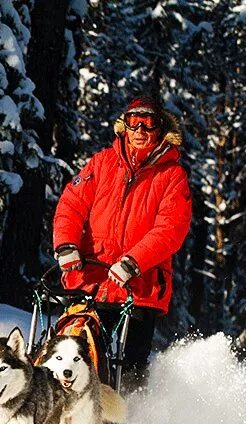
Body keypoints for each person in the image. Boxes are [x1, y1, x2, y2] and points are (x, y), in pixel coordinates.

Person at [52, 96, 192, 392]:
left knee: (130, 371)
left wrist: (133, 262)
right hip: (89, 280)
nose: (140, 129)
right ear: (124, 126)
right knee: (72, 356)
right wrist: (66, 245)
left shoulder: (172, 176)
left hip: (138, 288)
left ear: (160, 129)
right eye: (133, 121)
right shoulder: (101, 163)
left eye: (148, 123)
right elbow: (70, 206)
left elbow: (171, 229)